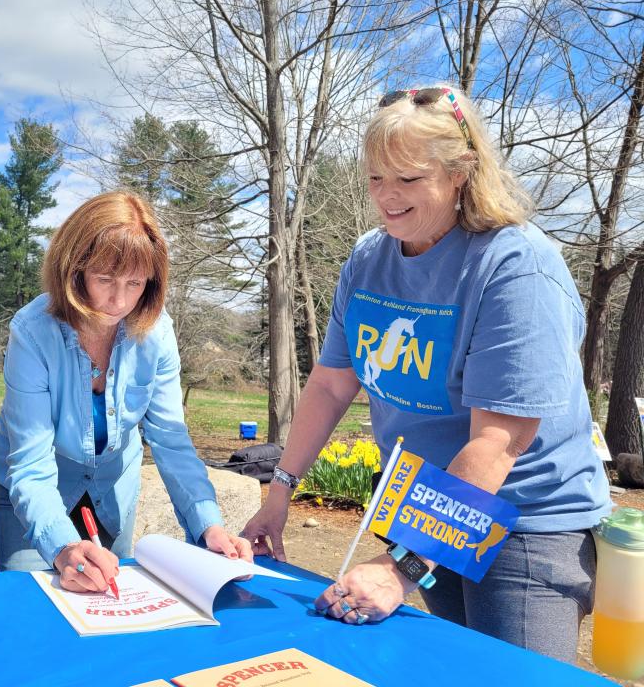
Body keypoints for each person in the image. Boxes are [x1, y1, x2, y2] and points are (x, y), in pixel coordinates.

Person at [241, 86, 611, 663]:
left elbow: (498, 439)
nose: (387, 197)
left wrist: (402, 567)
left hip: (522, 523)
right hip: (422, 509)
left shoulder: (515, 265)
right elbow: (332, 384)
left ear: (461, 171)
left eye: (409, 179)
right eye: (375, 179)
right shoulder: (368, 258)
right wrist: (279, 492)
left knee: (508, 679)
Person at [0, 191, 252, 594]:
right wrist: (62, 547)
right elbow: (30, 463)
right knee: (32, 607)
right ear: (73, 271)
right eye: (105, 279)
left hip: (112, 491)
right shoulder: (32, 332)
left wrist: (208, 524)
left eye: (135, 283)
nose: (119, 301)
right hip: (32, 496)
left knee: (108, 603)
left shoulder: (158, 331)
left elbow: (171, 441)